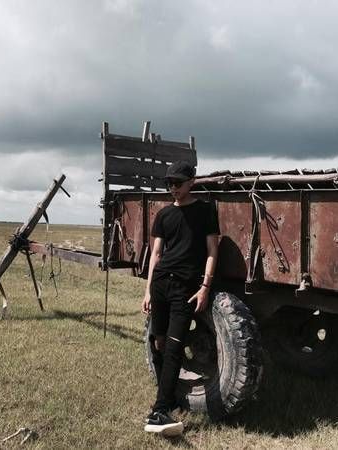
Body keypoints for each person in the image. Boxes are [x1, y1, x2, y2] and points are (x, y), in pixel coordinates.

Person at [141, 160, 219, 437]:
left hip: (185, 289)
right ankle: (169, 395)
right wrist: (148, 290)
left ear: (191, 182)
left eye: (177, 183)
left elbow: (212, 251)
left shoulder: (205, 211)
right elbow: (156, 255)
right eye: (168, 183)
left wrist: (205, 287)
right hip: (161, 284)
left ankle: (160, 410)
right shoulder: (164, 215)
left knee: (174, 348)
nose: (172, 188)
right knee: (158, 343)